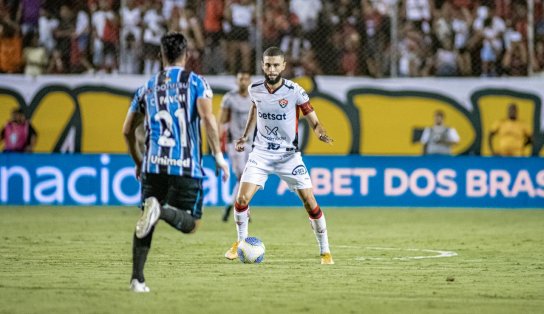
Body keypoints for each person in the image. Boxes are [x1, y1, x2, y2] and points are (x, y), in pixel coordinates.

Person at [122, 32, 229, 293]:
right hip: (185, 165)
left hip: (152, 165)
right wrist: (217, 156)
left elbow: (127, 130)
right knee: (191, 223)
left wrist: (138, 161)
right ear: (187, 55)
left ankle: (138, 279)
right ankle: (160, 210)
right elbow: (207, 119)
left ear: (160, 56)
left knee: (144, 221)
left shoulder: (146, 87)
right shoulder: (196, 83)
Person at [223, 47, 335, 265]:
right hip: (261, 153)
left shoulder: (296, 91)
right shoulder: (255, 89)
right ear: (262, 66)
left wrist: (320, 133)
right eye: (267, 65)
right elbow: (254, 111)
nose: (271, 69)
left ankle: (325, 251)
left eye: (276, 65)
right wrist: (245, 136)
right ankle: (240, 243)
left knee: (310, 202)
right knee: (241, 199)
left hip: (288, 156)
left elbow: (313, 120)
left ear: (284, 66)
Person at [218, 71, 253, 222]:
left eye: (246, 79)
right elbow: (222, 121)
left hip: (252, 143)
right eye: (241, 79)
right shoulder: (229, 98)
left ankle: (233, 207)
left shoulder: (255, 97)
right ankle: (242, 209)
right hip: (235, 143)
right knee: (242, 177)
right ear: (236, 81)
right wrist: (220, 144)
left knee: (247, 178)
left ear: (250, 80)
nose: (243, 82)